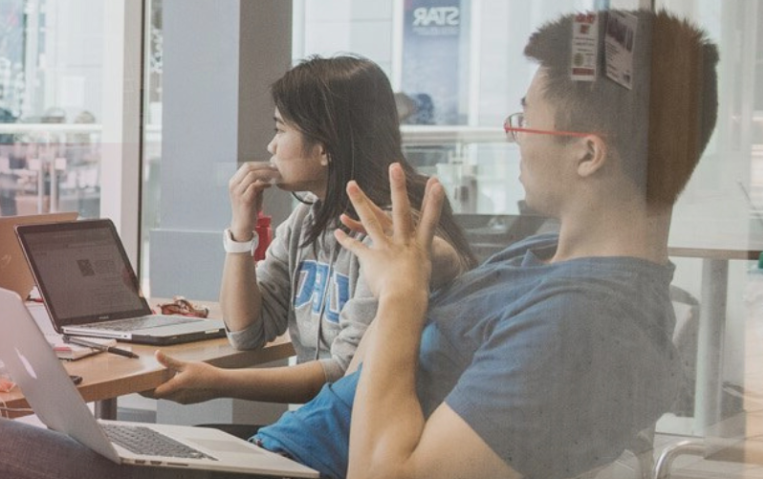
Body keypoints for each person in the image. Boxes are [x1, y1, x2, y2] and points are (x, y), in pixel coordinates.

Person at [0, 9, 719, 479]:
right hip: (278, 449)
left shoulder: (582, 318)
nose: (512, 139)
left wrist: (404, 295)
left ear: (588, 153)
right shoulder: (537, 264)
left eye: (523, 121)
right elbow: (281, 339)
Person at [180, 55, 476, 406]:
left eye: (280, 130)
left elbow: (345, 372)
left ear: (324, 147)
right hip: (316, 431)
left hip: (353, 445)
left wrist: (219, 384)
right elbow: (246, 332)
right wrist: (240, 234)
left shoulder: (391, 236)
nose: (271, 147)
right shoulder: (307, 220)